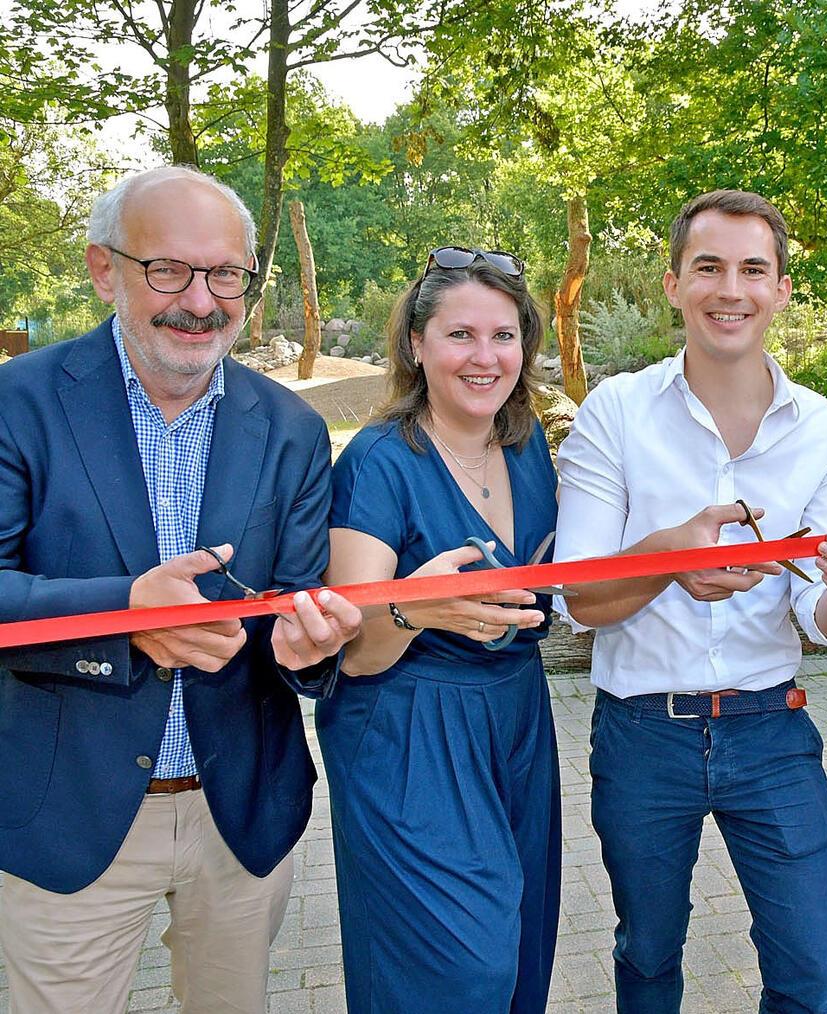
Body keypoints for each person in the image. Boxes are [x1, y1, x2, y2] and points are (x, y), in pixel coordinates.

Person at [0, 165, 362, 1014]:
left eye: (226, 274)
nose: (200, 301)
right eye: (168, 269)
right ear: (104, 269)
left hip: (239, 815)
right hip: (67, 814)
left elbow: (294, 607)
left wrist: (309, 648)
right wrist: (123, 615)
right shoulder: (17, 403)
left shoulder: (292, 428)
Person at [555, 189, 827, 1013]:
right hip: (642, 734)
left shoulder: (825, 430)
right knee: (646, 958)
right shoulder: (616, 412)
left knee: (808, 975)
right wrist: (672, 559)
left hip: (771, 729)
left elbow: (817, 613)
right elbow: (579, 597)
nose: (730, 290)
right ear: (674, 283)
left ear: (781, 289)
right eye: (708, 268)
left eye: (752, 270)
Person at [315, 247, 561, 1014]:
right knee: (459, 971)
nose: (485, 357)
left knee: (521, 956)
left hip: (519, 716)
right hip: (410, 726)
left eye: (503, 335)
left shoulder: (527, 443)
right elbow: (357, 653)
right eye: (461, 335)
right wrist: (413, 609)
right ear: (417, 345)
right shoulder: (377, 463)